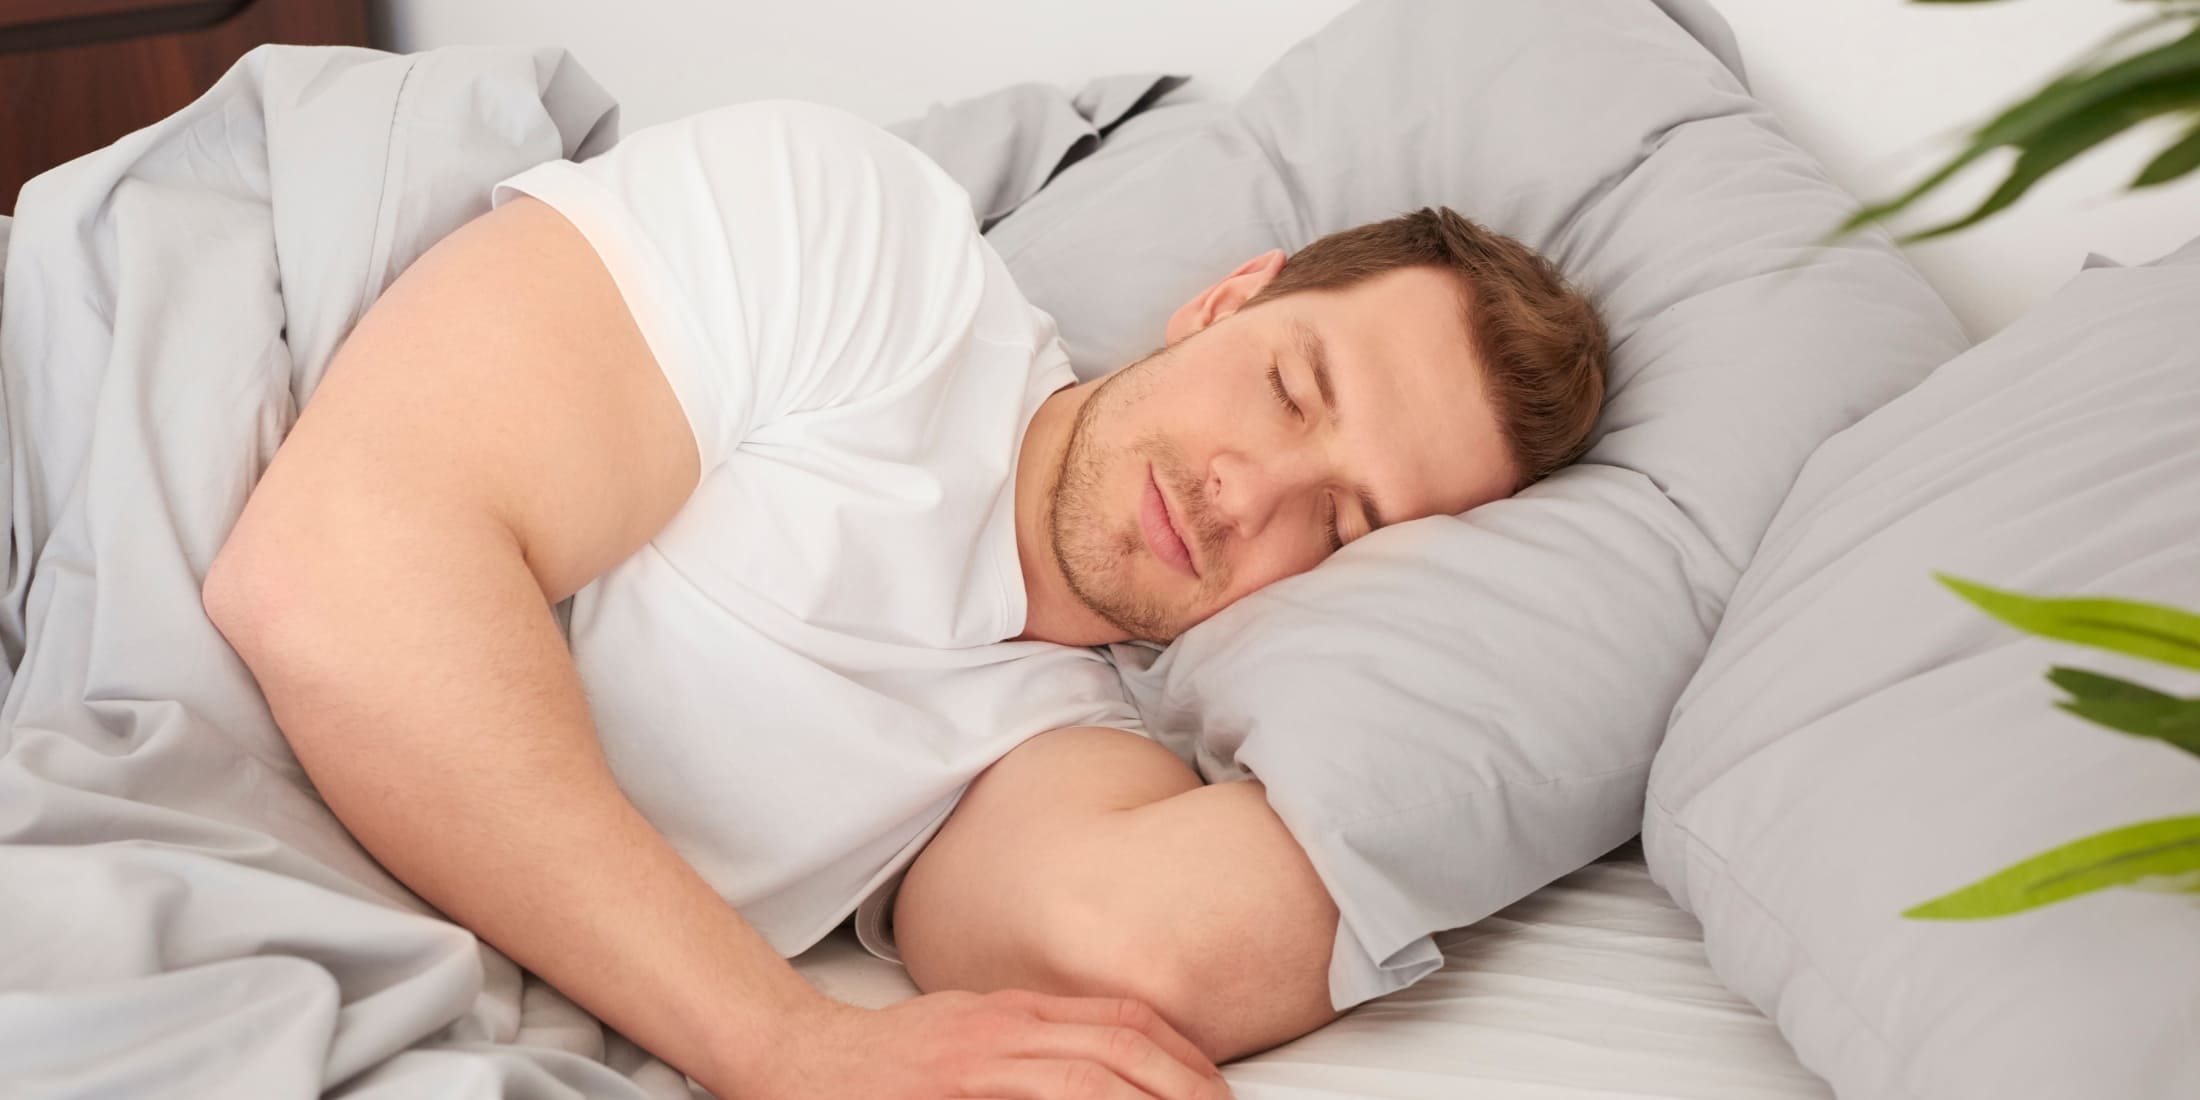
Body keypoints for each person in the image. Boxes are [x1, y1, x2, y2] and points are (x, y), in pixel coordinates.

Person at [203, 99, 1607, 1100]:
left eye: (1348, 522)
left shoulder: (1060, 750)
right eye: (1293, 388)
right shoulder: (868, 253)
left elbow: (1151, 948)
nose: (1253, 493)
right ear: (1227, 300)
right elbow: (329, 569)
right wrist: (784, 1042)